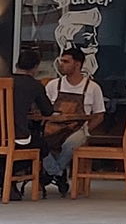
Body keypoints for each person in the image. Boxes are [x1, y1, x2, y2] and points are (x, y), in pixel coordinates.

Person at [42, 47, 106, 196]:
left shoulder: (92, 87)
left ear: (78, 64)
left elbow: (99, 115)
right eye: (61, 61)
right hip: (52, 128)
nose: (61, 64)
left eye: (65, 61)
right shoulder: (53, 85)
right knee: (39, 141)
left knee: (70, 144)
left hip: (78, 129)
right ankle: (57, 173)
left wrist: (86, 130)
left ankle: (51, 173)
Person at [9, 49, 53, 197]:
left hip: (2, 138)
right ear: (35, 67)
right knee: (42, 145)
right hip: (18, 137)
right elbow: (47, 110)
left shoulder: (4, 82)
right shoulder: (34, 85)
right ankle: (9, 179)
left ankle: (6, 178)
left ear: (17, 64)